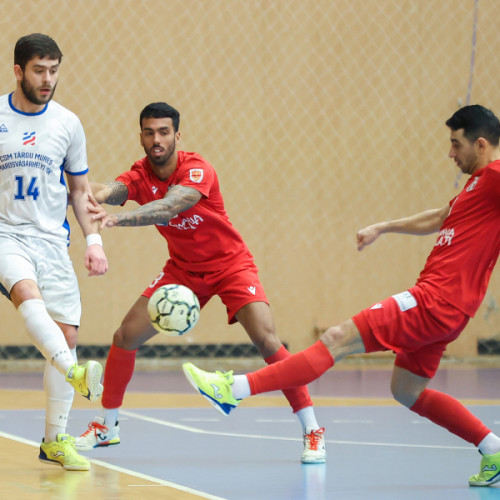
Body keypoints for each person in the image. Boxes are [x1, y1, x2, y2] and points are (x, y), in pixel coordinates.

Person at [182, 104, 500, 486]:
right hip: (448, 309)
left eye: (455, 144)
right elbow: (439, 218)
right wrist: (384, 226)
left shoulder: (496, 176)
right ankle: (493, 449)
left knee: (335, 339)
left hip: (436, 301)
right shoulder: (478, 184)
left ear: (481, 145)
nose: (450, 153)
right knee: (407, 390)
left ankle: (232, 389)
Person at [74, 101, 326, 463]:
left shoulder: (197, 170)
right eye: (149, 132)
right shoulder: (141, 173)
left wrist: (115, 221)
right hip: (183, 271)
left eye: (164, 132)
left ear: (177, 135)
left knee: (268, 341)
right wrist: (85, 192)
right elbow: (113, 189)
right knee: (125, 336)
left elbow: (169, 207)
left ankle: (312, 428)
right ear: (141, 137)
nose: (156, 139)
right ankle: (107, 426)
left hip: (230, 266)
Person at [0, 33, 109, 471]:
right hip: (6, 234)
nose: (48, 79)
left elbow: (81, 190)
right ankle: (76, 372)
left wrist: (94, 242)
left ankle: (53, 442)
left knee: (65, 337)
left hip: (52, 241)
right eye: (39, 70)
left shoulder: (67, 123)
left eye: (54, 70)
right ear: (18, 71)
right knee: (28, 296)